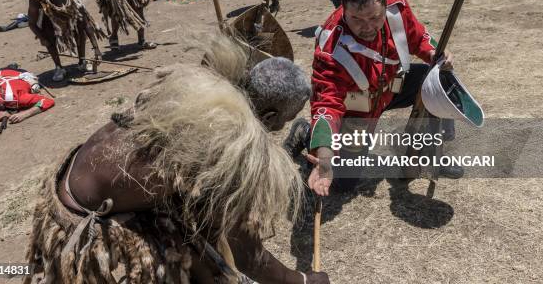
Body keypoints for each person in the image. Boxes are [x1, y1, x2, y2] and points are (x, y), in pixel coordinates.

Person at [24, 35, 330, 284]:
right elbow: (246, 252)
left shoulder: (203, 93)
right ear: (271, 115)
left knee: (203, 239)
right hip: (85, 220)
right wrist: (300, 280)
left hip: (80, 180)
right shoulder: (231, 141)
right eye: (285, 122)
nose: (281, 128)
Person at [283, 0, 463, 197]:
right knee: (342, 185)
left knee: (439, 81)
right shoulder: (330, 48)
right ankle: (307, 133)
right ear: (344, 11)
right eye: (356, 19)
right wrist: (325, 154)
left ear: (384, 7)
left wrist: (434, 53)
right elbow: (327, 107)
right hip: (356, 109)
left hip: (390, 87)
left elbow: (418, 38)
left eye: (374, 18)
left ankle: (431, 152)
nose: (367, 27)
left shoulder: (397, 11)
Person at [27, 0, 105, 82]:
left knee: (79, 26)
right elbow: (32, 23)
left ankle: (82, 61)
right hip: (47, 14)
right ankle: (58, 67)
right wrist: (42, 38)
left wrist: (96, 49)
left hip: (68, 3)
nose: (62, 13)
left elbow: (87, 23)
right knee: (48, 34)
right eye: (59, 11)